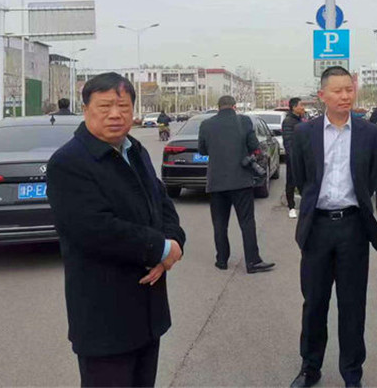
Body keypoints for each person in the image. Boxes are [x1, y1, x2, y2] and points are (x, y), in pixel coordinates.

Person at [46, 73, 186, 388]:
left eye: (123, 106)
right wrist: (160, 249)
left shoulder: (135, 150)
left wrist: (173, 242)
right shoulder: (69, 163)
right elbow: (94, 229)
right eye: (105, 106)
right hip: (104, 316)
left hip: (147, 312)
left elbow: (161, 203)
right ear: (86, 110)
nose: (115, 114)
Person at [288, 66, 377, 388]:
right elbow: (301, 178)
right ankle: (310, 367)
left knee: (353, 305)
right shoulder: (305, 133)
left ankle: (352, 373)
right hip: (317, 228)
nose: (345, 96)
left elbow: (374, 176)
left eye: (349, 89)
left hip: (353, 227)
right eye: (337, 91)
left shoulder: (369, 133)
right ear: (322, 95)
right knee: (314, 303)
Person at [198, 95, 275, 274]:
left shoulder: (206, 124)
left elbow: (202, 150)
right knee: (247, 222)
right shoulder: (244, 121)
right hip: (241, 181)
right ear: (234, 107)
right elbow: (254, 146)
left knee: (219, 223)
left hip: (216, 183)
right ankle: (253, 262)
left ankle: (222, 260)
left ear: (218, 107)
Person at [282, 97, 306, 219]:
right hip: (293, 158)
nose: (303, 108)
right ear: (294, 107)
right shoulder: (288, 122)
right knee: (291, 183)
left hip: (304, 157)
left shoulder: (301, 120)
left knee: (305, 182)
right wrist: (294, 159)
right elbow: (288, 142)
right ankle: (291, 207)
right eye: (301, 105)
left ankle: (306, 206)